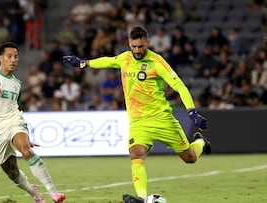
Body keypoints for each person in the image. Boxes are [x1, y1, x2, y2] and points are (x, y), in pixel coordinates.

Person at [62, 26, 211, 203]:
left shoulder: (157, 62)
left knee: (190, 158)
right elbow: (108, 61)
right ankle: (141, 198)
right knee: (136, 153)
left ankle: (200, 141)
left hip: (162, 119)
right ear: (129, 44)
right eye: (134, 46)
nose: (137, 51)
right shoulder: (125, 58)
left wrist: (192, 112)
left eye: (141, 46)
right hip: (139, 122)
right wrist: (83, 63)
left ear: (147, 43)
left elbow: (179, 86)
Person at [0, 42, 65, 203]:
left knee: (26, 150)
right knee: (12, 173)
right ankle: (32, 191)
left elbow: (16, 107)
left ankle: (53, 192)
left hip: (14, 121)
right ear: (0, 58)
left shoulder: (18, 84)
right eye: (9, 56)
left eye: (16, 56)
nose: (13, 60)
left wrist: (24, 135)